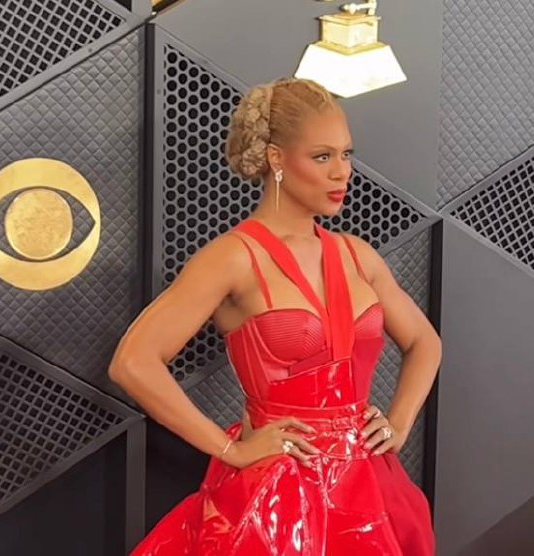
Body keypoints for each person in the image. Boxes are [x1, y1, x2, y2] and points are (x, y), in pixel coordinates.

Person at [109, 77, 442, 555]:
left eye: (346, 155)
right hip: (277, 496)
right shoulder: (232, 258)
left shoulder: (358, 255)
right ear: (276, 159)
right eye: (322, 157)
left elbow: (425, 342)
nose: (342, 173)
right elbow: (133, 362)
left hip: (369, 487)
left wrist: (400, 423)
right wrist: (231, 449)